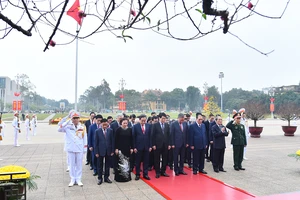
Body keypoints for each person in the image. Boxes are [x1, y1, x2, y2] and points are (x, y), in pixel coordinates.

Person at [58, 111, 87, 186]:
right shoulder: (67, 127)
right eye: (74, 118)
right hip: (71, 148)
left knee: (79, 165)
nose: (75, 120)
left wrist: (85, 149)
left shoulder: (82, 127)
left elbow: (85, 138)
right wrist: (67, 120)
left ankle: (78, 179)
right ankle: (72, 179)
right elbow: (59, 128)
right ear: (72, 119)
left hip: (79, 148)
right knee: (71, 164)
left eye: (77, 118)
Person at [94, 118, 114, 185]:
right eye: (103, 124)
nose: (105, 125)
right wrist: (96, 152)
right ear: (101, 124)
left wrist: (112, 150)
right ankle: (100, 178)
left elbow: (112, 141)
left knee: (107, 165)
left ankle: (106, 177)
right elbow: (95, 143)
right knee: (100, 165)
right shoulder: (97, 131)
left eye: (106, 124)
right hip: (100, 151)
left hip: (108, 151)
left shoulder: (110, 131)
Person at [151, 112, 171, 178]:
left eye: (165, 119)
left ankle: (163, 171)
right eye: (162, 118)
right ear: (159, 118)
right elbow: (152, 135)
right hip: (157, 145)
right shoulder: (155, 125)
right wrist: (153, 144)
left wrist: (169, 144)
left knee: (165, 158)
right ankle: (157, 172)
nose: (164, 120)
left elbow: (168, 135)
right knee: (157, 159)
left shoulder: (167, 125)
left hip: (165, 145)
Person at [132, 114, 152, 181]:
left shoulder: (148, 126)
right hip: (138, 147)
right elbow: (133, 137)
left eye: (145, 121)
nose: (143, 122)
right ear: (139, 120)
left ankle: (145, 174)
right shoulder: (135, 126)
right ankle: (137, 174)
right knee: (138, 162)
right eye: (142, 121)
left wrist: (150, 146)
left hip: (146, 147)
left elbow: (150, 137)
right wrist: (134, 147)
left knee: (146, 161)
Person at [114, 118, 133, 182]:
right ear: (121, 123)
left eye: (126, 123)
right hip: (120, 149)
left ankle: (126, 177)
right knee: (120, 163)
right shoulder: (118, 130)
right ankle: (119, 178)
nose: (125, 124)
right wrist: (116, 148)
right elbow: (115, 140)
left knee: (127, 163)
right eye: (124, 123)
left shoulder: (130, 130)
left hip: (127, 148)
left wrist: (132, 148)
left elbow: (131, 140)